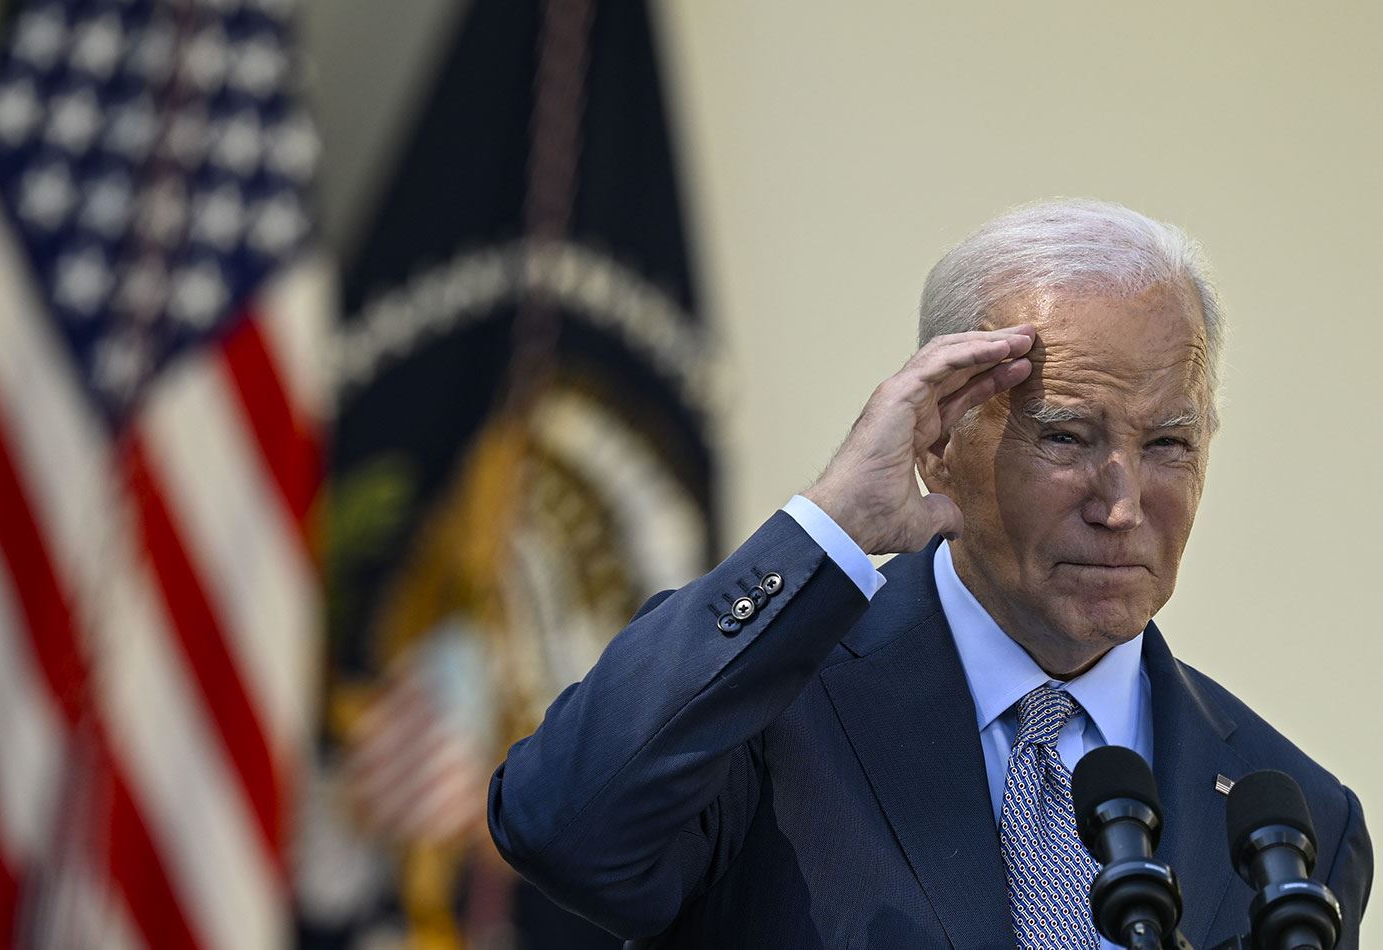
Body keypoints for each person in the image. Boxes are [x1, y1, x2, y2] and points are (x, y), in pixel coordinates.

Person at [486, 199, 1373, 948]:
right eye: (1067, 436)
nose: (1122, 505)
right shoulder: (764, 706)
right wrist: (831, 522)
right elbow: (559, 828)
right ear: (938, 439)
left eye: (1169, 444)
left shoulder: (1298, 823)